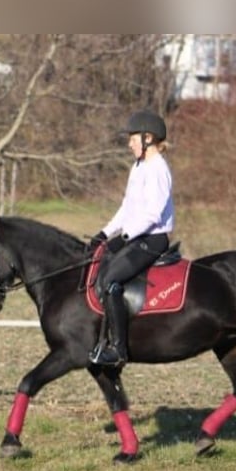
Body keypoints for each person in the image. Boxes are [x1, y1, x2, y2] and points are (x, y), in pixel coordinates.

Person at [85, 109, 175, 367]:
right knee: (101, 268)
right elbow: (128, 208)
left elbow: (152, 214)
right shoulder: (139, 167)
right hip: (136, 238)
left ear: (148, 138)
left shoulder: (158, 169)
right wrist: (104, 233)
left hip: (153, 240)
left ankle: (119, 350)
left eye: (133, 138)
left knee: (112, 279)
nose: (129, 143)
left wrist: (122, 238)